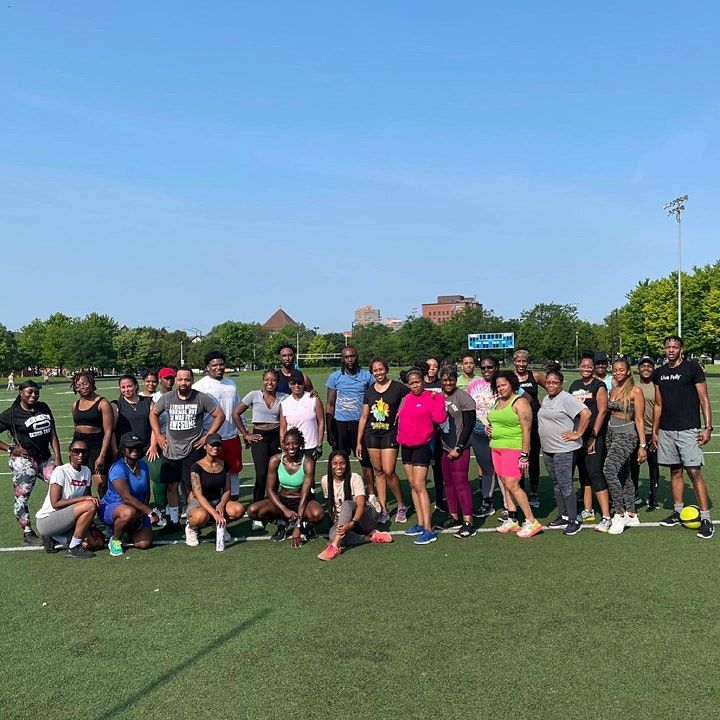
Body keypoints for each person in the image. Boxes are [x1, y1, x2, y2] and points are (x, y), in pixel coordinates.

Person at [149, 367, 225, 533]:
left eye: (187, 379)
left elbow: (220, 415)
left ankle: (193, 521)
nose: (184, 383)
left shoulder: (201, 398)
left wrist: (207, 436)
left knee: (190, 487)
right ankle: (174, 521)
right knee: (171, 486)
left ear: (192, 380)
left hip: (192, 449)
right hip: (170, 449)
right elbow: (153, 414)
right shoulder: (167, 397)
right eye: (180, 379)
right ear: (176, 380)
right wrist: (158, 435)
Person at [653, 336, 714, 539]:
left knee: (694, 472)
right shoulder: (659, 373)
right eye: (668, 347)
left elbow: (704, 399)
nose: (671, 350)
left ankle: (706, 518)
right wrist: (655, 431)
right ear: (664, 349)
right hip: (667, 431)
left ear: (681, 349)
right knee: (675, 471)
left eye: (675, 347)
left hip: (689, 430)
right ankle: (678, 512)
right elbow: (659, 405)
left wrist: (707, 428)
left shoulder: (692, 367)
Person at [0, 380, 62, 545]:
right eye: (29, 392)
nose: (33, 395)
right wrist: (10, 449)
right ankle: (28, 533)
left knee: (62, 484)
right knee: (22, 497)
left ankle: (57, 524)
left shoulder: (43, 407)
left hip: (45, 457)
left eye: (36, 392)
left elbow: (53, 434)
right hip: (24, 461)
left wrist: (58, 458)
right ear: (21, 393)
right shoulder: (12, 414)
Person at [246, 428, 325, 546]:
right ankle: (282, 522)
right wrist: (285, 510)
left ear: (301, 445)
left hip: (302, 500)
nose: (291, 447)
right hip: (283, 500)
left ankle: (304, 523)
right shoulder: (275, 460)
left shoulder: (308, 463)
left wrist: (297, 525)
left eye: (295, 443)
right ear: (283, 445)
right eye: (288, 444)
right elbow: (270, 490)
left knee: (318, 514)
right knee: (252, 511)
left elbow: (305, 494)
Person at [488, 371, 543, 538]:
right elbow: (494, 421)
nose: (501, 388)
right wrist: (489, 429)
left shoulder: (520, 402)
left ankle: (532, 521)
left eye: (503, 385)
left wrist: (525, 454)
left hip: (514, 448)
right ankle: (512, 519)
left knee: (513, 484)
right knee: (505, 483)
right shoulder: (498, 402)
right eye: (498, 386)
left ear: (512, 384)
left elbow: (527, 430)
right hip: (496, 447)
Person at [396, 367, 447, 545]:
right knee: (412, 485)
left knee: (420, 485)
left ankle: (428, 529)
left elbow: (440, 419)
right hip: (406, 446)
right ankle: (419, 523)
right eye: (412, 383)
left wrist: (438, 401)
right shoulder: (407, 399)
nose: (415, 385)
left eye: (418, 382)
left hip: (422, 446)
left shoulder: (433, 397)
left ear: (423, 381)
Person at [538, 370, 591, 536]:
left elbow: (586, 413)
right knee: (556, 484)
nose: (551, 385)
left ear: (561, 384)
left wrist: (578, 433)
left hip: (564, 449)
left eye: (555, 382)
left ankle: (574, 519)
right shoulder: (547, 399)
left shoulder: (566, 398)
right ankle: (564, 515)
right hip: (548, 449)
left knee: (565, 484)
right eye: (548, 382)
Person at [233, 369, 288, 528]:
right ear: (262, 380)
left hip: (276, 436)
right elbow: (236, 413)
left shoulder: (284, 397)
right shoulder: (253, 395)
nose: (270, 383)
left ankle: (274, 509)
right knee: (262, 474)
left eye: (273, 380)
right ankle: (256, 511)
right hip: (259, 437)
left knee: (277, 474)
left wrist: (312, 393)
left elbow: (299, 398)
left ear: (278, 382)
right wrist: (245, 434)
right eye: (267, 380)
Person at [356, 358, 409, 523]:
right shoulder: (370, 391)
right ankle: (384, 509)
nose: (378, 372)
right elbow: (364, 416)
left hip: (390, 434)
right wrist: (358, 441)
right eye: (375, 370)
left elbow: (412, 397)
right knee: (378, 471)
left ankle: (401, 505)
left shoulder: (398, 387)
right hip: (371, 434)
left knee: (389, 471)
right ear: (372, 372)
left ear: (386, 369)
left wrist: (401, 413)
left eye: (381, 369)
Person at [325, 345, 377, 508]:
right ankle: (340, 494)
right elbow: (330, 404)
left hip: (361, 424)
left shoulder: (367, 377)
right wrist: (329, 428)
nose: (349, 360)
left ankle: (371, 495)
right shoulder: (335, 377)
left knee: (366, 461)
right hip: (341, 424)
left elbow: (374, 398)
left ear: (357, 357)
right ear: (342, 358)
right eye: (346, 357)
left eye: (352, 356)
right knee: (340, 461)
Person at [317, 450, 393, 560]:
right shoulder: (325, 480)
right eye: (335, 463)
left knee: (347, 504)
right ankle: (371, 537)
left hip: (364, 517)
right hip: (345, 520)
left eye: (342, 463)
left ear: (347, 464)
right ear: (330, 465)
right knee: (332, 535)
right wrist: (342, 526)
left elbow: (361, 505)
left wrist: (351, 524)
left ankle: (335, 546)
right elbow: (332, 505)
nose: (339, 467)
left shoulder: (354, 478)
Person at [98, 433, 162, 556]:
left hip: (137, 508)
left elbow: (146, 491)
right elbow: (126, 498)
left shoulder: (143, 465)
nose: (135, 450)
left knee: (144, 544)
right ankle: (115, 538)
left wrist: (141, 513)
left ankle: (126, 528)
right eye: (130, 447)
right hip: (113, 507)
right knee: (128, 513)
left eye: (137, 447)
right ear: (123, 449)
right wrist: (150, 512)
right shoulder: (118, 468)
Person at [603, 358, 647, 535]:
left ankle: (619, 514)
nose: (618, 372)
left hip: (627, 435)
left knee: (609, 470)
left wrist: (642, 445)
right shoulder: (613, 389)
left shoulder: (635, 391)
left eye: (622, 370)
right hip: (610, 433)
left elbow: (639, 419)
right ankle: (632, 513)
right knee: (624, 473)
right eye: (615, 370)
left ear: (628, 371)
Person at [569, 355, 612, 531]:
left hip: (594, 436)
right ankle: (588, 510)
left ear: (593, 368)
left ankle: (607, 516)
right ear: (580, 367)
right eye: (583, 365)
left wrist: (594, 436)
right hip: (578, 436)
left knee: (595, 472)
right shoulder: (575, 385)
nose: (586, 368)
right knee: (584, 473)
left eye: (589, 366)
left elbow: (602, 412)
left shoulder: (599, 386)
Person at [35, 439, 98, 558]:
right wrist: (83, 499)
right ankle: (73, 548)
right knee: (90, 504)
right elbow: (56, 503)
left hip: (67, 518)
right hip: (48, 520)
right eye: (76, 451)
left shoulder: (86, 471)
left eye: (84, 452)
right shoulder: (61, 471)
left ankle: (55, 538)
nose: (80, 455)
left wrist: (92, 525)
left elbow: (87, 498)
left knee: (96, 543)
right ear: (69, 453)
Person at [193, 350, 243, 496]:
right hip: (211, 437)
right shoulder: (199, 386)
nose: (218, 368)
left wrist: (244, 430)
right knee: (212, 471)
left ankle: (233, 500)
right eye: (214, 365)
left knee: (234, 471)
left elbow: (237, 408)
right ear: (207, 367)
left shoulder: (231, 384)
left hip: (231, 435)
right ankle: (212, 503)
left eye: (221, 364)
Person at [184, 433, 245, 547]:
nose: (215, 448)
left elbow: (227, 490)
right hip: (199, 504)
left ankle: (218, 524)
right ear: (205, 446)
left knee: (238, 509)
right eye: (212, 445)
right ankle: (191, 527)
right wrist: (215, 514)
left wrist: (221, 505)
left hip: (217, 502)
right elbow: (198, 495)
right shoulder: (196, 467)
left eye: (218, 445)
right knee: (200, 516)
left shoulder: (225, 465)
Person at [437, 368, 477, 538]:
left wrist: (459, 447)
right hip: (443, 447)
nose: (448, 383)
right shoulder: (438, 397)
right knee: (448, 483)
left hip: (459, 447)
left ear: (455, 380)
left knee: (461, 483)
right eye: (445, 380)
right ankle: (454, 516)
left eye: (451, 380)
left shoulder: (463, 397)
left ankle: (468, 521)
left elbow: (469, 424)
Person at [512, 349, 546, 508]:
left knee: (532, 457)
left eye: (524, 361)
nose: (521, 364)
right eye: (518, 361)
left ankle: (533, 492)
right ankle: (520, 491)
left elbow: (553, 389)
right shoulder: (510, 378)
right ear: (514, 362)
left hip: (534, 422)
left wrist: (547, 405)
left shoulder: (536, 376)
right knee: (517, 457)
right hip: (515, 423)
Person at [71, 371, 114, 494]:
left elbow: (108, 431)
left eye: (84, 383)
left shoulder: (103, 403)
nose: (81, 387)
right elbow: (76, 427)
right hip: (79, 444)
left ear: (91, 382)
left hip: (97, 444)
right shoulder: (75, 405)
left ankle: (106, 512)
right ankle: (87, 510)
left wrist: (102, 455)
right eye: (77, 385)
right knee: (82, 485)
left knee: (101, 484)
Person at [467, 356, 499, 517]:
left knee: (503, 470)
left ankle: (510, 507)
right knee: (487, 469)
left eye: (490, 367)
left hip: (500, 434)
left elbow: (522, 398)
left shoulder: (503, 382)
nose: (486, 370)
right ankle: (487, 501)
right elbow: (468, 405)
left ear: (496, 367)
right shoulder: (474, 384)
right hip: (478, 432)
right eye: (483, 367)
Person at [629, 357, 660, 510]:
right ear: (638, 369)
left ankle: (653, 496)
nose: (646, 369)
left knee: (654, 465)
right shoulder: (633, 386)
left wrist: (657, 431)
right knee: (634, 465)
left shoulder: (657, 386)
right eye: (643, 366)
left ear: (653, 368)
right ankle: (634, 493)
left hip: (653, 432)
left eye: (649, 366)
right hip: (637, 432)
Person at [146, 367, 175, 519]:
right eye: (166, 378)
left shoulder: (179, 394)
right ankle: (161, 507)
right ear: (160, 379)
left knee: (176, 478)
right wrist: (153, 443)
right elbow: (153, 422)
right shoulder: (155, 398)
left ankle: (173, 506)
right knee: (160, 476)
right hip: (161, 440)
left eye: (171, 378)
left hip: (177, 441)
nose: (169, 381)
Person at [279, 370, 325, 458]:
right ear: (289, 384)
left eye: (299, 383)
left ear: (304, 384)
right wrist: (283, 446)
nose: (296, 385)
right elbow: (283, 428)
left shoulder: (314, 399)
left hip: (311, 447)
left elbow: (321, 422)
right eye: (293, 383)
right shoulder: (285, 403)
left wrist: (319, 444)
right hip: (292, 448)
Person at [111, 375, 157, 458]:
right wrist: (115, 450)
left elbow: (155, 427)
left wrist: (153, 445)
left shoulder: (148, 402)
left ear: (136, 386)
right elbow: (111, 431)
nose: (126, 390)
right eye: (123, 387)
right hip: (125, 451)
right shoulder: (116, 405)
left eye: (129, 386)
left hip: (146, 449)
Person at [424, 357, 447, 513]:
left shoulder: (441, 384)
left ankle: (440, 499)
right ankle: (419, 498)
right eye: (429, 365)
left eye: (435, 366)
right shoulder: (420, 383)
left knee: (439, 468)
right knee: (421, 467)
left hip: (439, 431)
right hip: (422, 432)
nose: (432, 368)